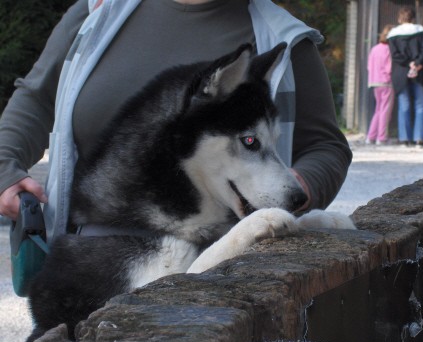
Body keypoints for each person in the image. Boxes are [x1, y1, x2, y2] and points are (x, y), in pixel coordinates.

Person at [0, 0, 352, 241]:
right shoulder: (96, 11)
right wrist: (5, 168)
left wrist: (299, 186)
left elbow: (326, 146)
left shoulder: (285, 39)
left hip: (219, 273)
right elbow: (36, 99)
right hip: (86, 265)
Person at [387, 6, 423, 147]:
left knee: (404, 105)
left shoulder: (393, 34)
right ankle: (420, 138)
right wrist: (416, 63)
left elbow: (394, 55)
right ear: (413, 17)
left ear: (400, 18)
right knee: (420, 105)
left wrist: (408, 63)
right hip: (419, 70)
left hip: (400, 72)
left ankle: (404, 139)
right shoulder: (421, 31)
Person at [366, 24, 395, 145]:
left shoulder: (374, 48)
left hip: (374, 81)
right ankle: (381, 137)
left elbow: (369, 66)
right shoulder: (389, 50)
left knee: (378, 110)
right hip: (386, 82)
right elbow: (389, 68)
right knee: (385, 111)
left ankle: (371, 136)